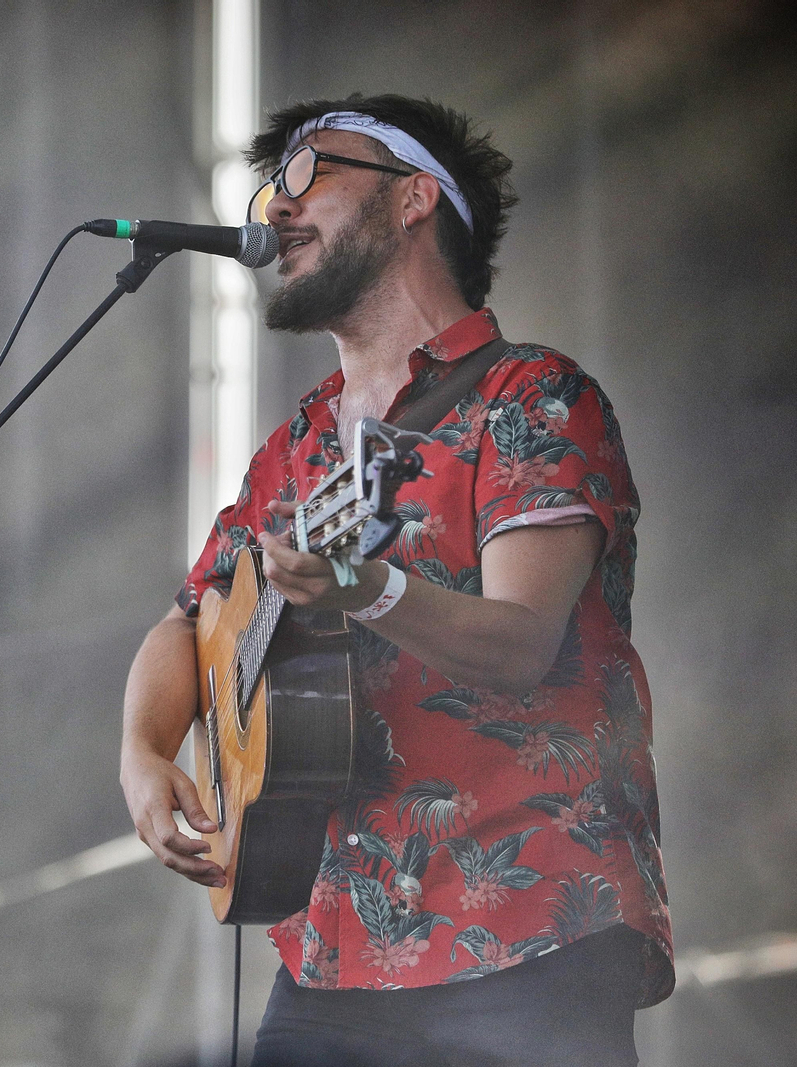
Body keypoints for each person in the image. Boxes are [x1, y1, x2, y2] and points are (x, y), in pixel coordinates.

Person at [119, 94, 671, 1066]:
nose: (272, 208)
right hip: (328, 947)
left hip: (525, 929)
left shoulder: (531, 396)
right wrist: (142, 748)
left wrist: (361, 587)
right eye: (267, 185)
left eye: (306, 173)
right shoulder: (289, 451)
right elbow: (190, 618)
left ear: (414, 196)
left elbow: (520, 638)